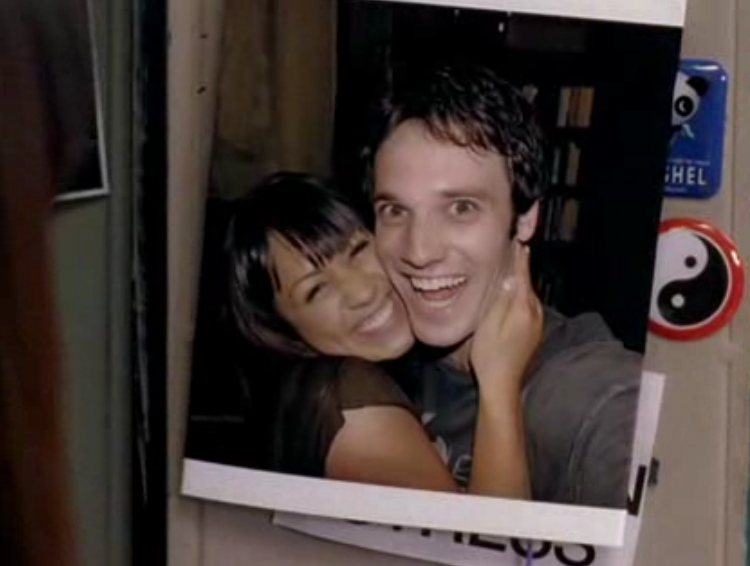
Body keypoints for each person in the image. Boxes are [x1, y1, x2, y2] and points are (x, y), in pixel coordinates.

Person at [364, 63, 642, 508]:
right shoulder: (377, 358)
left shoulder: (594, 395)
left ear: (525, 217)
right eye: (395, 211)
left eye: (461, 208)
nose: (419, 251)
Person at [220, 171, 536, 498]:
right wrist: (500, 383)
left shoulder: (399, 372)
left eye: (358, 250)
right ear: (283, 331)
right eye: (316, 291)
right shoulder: (347, 400)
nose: (361, 292)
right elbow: (488, 532)